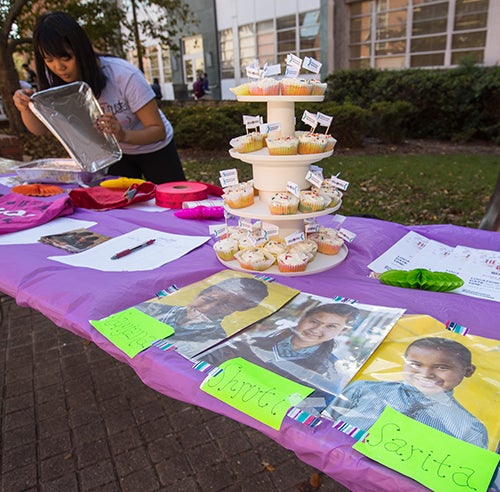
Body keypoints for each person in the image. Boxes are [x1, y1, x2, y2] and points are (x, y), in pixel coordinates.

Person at [12, 11, 185, 185]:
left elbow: (157, 131)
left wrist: (123, 135)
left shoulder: (124, 75)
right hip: (114, 155)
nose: (59, 67)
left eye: (67, 57)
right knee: (120, 205)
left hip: (155, 148)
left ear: (81, 50)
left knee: (172, 203)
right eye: (49, 60)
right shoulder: (55, 83)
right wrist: (25, 108)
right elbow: (40, 129)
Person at [322, 336, 489, 448]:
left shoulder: (470, 427)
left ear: (468, 371)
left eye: (442, 367)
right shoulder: (363, 389)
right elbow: (323, 425)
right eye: (416, 364)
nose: (426, 374)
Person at [202, 302, 360, 397]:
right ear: (302, 318)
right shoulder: (253, 341)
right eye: (314, 321)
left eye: (331, 326)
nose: (317, 329)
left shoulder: (330, 372)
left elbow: (313, 405)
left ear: (342, 331)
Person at [136, 277, 269, 358]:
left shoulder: (215, 340)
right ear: (199, 294)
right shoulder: (151, 308)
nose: (207, 308)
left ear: (239, 309)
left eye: (225, 305)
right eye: (207, 299)